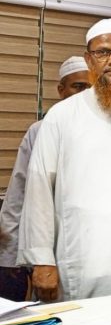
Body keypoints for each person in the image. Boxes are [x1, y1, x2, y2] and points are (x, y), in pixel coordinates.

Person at [17, 19, 111, 302]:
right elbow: (39, 189)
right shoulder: (62, 116)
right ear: (89, 60)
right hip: (77, 261)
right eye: (102, 52)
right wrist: (41, 260)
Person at [0, 56, 90, 301]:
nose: (85, 94)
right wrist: (9, 257)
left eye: (91, 88)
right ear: (61, 90)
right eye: (78, 87)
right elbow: (19, 194)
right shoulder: (41, 130)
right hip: (51, 247)